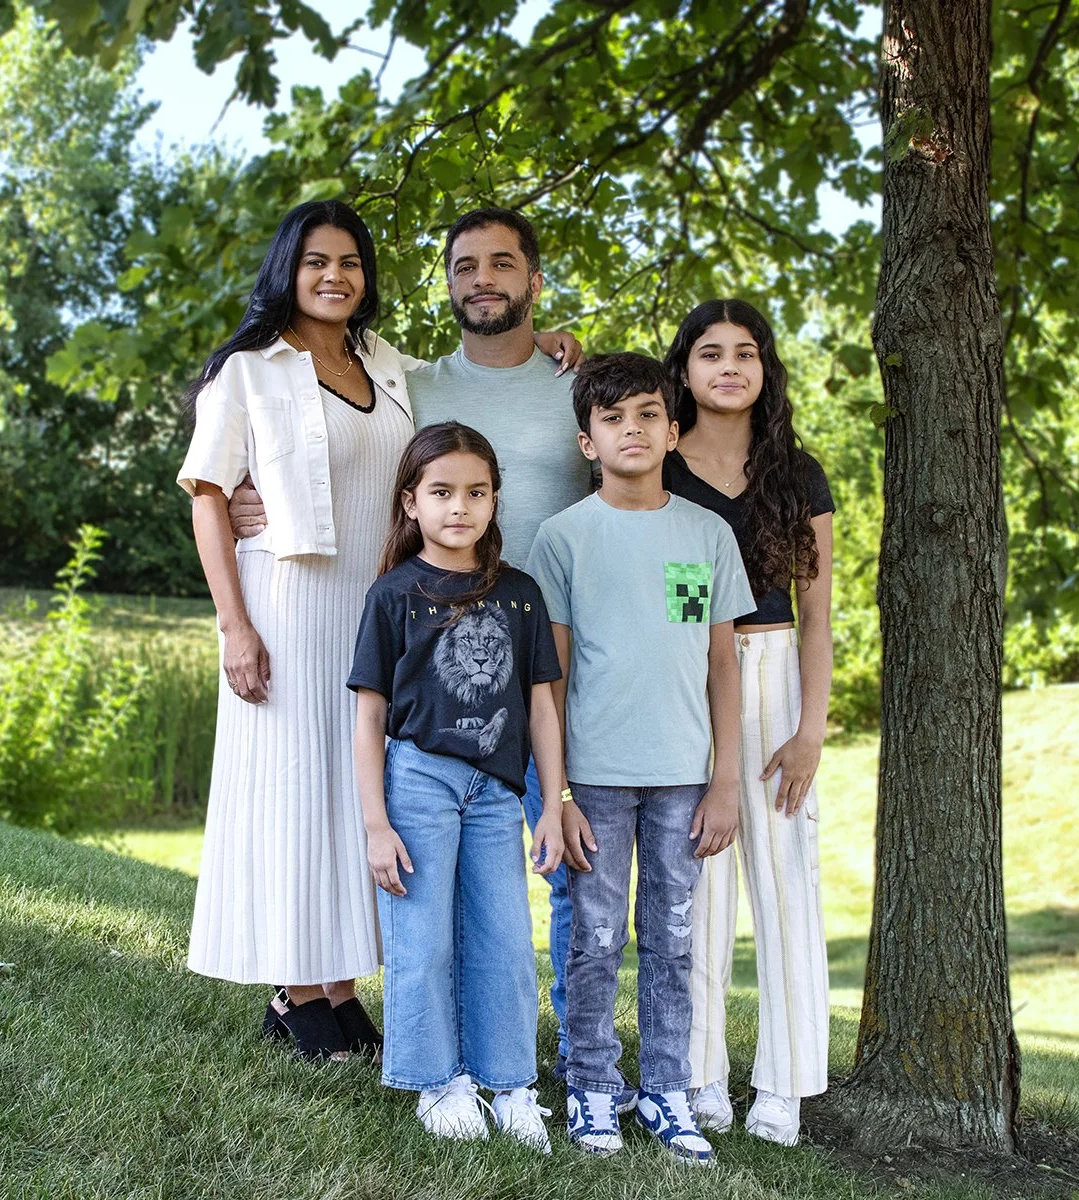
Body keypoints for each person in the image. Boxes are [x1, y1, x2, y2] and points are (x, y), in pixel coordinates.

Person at [228, 207, 589, 1073]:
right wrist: (253, 499)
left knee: (570, 860)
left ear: (535, 281)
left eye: (504, 264)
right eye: (466, 266)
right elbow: (332, 441)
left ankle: (581, 1054)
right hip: (441, 670)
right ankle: (424, 1045)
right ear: (449, 283)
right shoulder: (411, 381)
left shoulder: (580, 379)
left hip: (559, 648)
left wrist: (573, 342)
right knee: (433, 863)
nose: (484, 279)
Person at [176, 199, 415, 1061]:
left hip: (375, 602)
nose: (334, 275)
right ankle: (293, 989)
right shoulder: (247, 371)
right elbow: (210, 497)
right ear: (290, 268)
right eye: (317, 260)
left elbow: (464, 384)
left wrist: (550, 349)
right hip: (284, 601)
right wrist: (233, 627)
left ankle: (340, 987)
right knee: (293, 787)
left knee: (356, 787)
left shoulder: (386, 365)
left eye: (351, 262)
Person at [529, 352, 754, 1166]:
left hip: (685, 779)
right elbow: (547, 679)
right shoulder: (564, 539)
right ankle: (591, 1085)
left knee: (674, 938)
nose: (633, 429)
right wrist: (556, 797)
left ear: (672, 428)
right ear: (587, 440)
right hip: (592, 779)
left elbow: (717, 661)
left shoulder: (706, 534)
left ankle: (664, 1088)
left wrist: (725, 779)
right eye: (614, 418)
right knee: (592, 939)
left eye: (648, 414)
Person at [348, 423, 568, 1149]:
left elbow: (542, 705)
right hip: (418, 782)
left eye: (476, 493)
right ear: (411, 501)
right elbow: (370, 715)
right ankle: (437, 1080)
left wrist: (554, 802)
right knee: (423, 937)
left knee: (506, 938)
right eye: (441, 492)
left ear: (495, 500)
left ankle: (508, 1082)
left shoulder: (520, 594)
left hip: (498, 790)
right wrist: (377, 824)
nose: (459, 507)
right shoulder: (393, 595)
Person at [662, 300, 835, 1147]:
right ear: (684, 370)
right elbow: (676, 599)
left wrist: (810, 732)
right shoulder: (659, 468)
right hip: (690, 671)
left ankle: (785, 1084)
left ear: (766, 369)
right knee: (698, 883)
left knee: (783, 879)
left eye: (746, 353)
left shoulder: (798, 477)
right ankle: (699, 1076)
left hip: (775, 682)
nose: (729, 366)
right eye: (709, 353)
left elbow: (818, 615)